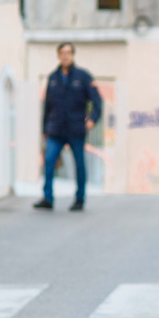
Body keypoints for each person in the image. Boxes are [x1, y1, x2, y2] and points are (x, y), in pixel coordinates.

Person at [34, 42, 102, 211]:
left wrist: (92, 119)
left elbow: (97, 101)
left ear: (73, 55)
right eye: (62, 53)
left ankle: (80, 199)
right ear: (58, 56)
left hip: (76, 130)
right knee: (49, 162)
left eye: (68, 53)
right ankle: (47, 198)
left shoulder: (83, 77)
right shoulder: (53, 78)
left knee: (79, 165)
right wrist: (44, 130)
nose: (65, 56)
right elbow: (46, 107)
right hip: (55, 130)